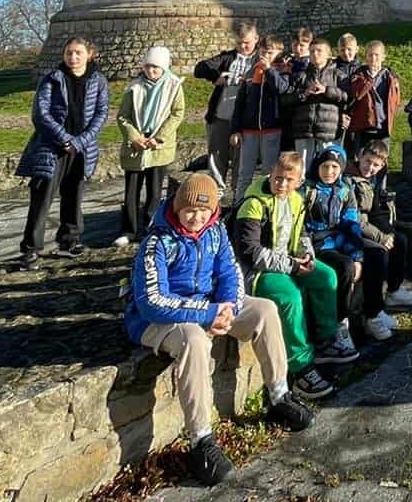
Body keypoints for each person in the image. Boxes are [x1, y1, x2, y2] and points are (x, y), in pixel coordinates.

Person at [125, 172, 314, 486]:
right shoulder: (157, 242)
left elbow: (230, 273)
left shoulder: (215, 231)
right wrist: (209, 313)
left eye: (203, 210)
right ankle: (201, 440)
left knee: (265, 309)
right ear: (177, 207)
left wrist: (228, 308)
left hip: (206, 305)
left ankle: (279, 396)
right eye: (189, 211)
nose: (196, 217)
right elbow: (152, 302)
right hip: (156, 321)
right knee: (193, 339)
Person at [231, 152, 340, 401]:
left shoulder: (296, 200)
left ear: (299, 182)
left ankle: (326, 340)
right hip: (258, 271)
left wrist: (308, 257)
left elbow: (300, 235)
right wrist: (291, 266)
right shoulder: (253, 204)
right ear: (270, 174)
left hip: (288, 260)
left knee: (327, 277)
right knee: (289, 297)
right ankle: (301, 367)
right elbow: (250, 252)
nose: (281, 184)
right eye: (277, 178)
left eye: (288, 180)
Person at [16, 36, 109, 268]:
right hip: (51, 148)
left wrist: (79, 142)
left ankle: (69, 241)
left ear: (90, 54)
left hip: (81, 149)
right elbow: (40, 114)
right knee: (42, 198)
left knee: (74, 195)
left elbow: (101, 114)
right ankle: (31, 248)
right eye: (69, 52)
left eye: (78, 52)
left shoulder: (98, 81)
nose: (73, 57)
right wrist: (64, 139)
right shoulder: (52, 79)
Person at [114, 44, 186, 247]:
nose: (151, 71)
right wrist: (134, 137)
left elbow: (177, 113)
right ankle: (128, 229)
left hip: (158, 146)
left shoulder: (173, 86)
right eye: (148, 67)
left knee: (154, 191)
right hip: (136, 146)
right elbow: (123, 116)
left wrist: (159, 137)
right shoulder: (134, 87)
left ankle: (150, 226)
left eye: (155, 67)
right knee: (131, 190)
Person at [350, 139, 412, 339]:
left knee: (400, 241)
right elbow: (356, 218)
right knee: (378, 254)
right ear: (360, 156)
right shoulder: (350, 179)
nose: (370, 167)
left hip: (366, 227)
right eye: (367, 162)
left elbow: (376, 210)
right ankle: (374, 312)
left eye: (376, 165)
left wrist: (388, 232)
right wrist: (381, 237)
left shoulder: (373, 179)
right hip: (353, 231)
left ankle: (393, 291)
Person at [302, 143, 365, 359]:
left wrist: (357, 256)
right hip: (316, 245)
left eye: (334, 168)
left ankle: (370, 316)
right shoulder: (308, 190)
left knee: (361, 261)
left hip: (336, 242)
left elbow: (351, 225)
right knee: (344, 268)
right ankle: (339, 322)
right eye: (325, 166)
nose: (329, 172)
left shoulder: (345, 191)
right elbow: (300, 224)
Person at [194, 22, 260, 189]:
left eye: (247, 42)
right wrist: (216, 76)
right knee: (216, 160)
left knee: (241, 162)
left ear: (256, 39)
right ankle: (215, 196)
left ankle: (238, 196)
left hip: (246, 120)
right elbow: (200, 68)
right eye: (239, 43)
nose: (243, 46)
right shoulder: (228, 57)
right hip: (221, 117)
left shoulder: (260, 59)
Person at [232, 38, 289, 203]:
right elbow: (240, 103)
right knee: (244, 174)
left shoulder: (282, 70)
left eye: (270, 53)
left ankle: (266, 205)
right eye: (263, 52)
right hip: (249, 130)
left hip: (272, 129)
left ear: (278, 53)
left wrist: (269, 70)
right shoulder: (251, 72)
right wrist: (236, 129)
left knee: (268, 172)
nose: (265, 56)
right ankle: (238, 207)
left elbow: (282, 88)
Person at [284, 38, 349, 175]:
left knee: (329, 167)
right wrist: (304, 93)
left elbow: (347, 97)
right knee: (301, 170)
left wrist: (326, 90)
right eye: (312, 51)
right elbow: (286, 99)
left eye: (319, 51)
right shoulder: (301, 76)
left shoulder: (338, 76)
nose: (315, 54)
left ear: (328, 53)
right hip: (304, 128)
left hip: (329, 130)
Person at [345, 39, 399, 159]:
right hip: (363, 126)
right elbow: (356, 94)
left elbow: (395, 101)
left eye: (377, 55)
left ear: (383, 57)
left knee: (380, 162)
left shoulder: (390, 77)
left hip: (383, 127)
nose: (373, 58)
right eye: (370, 55)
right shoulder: (358, 75)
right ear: (366, 57)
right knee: (361, 161)